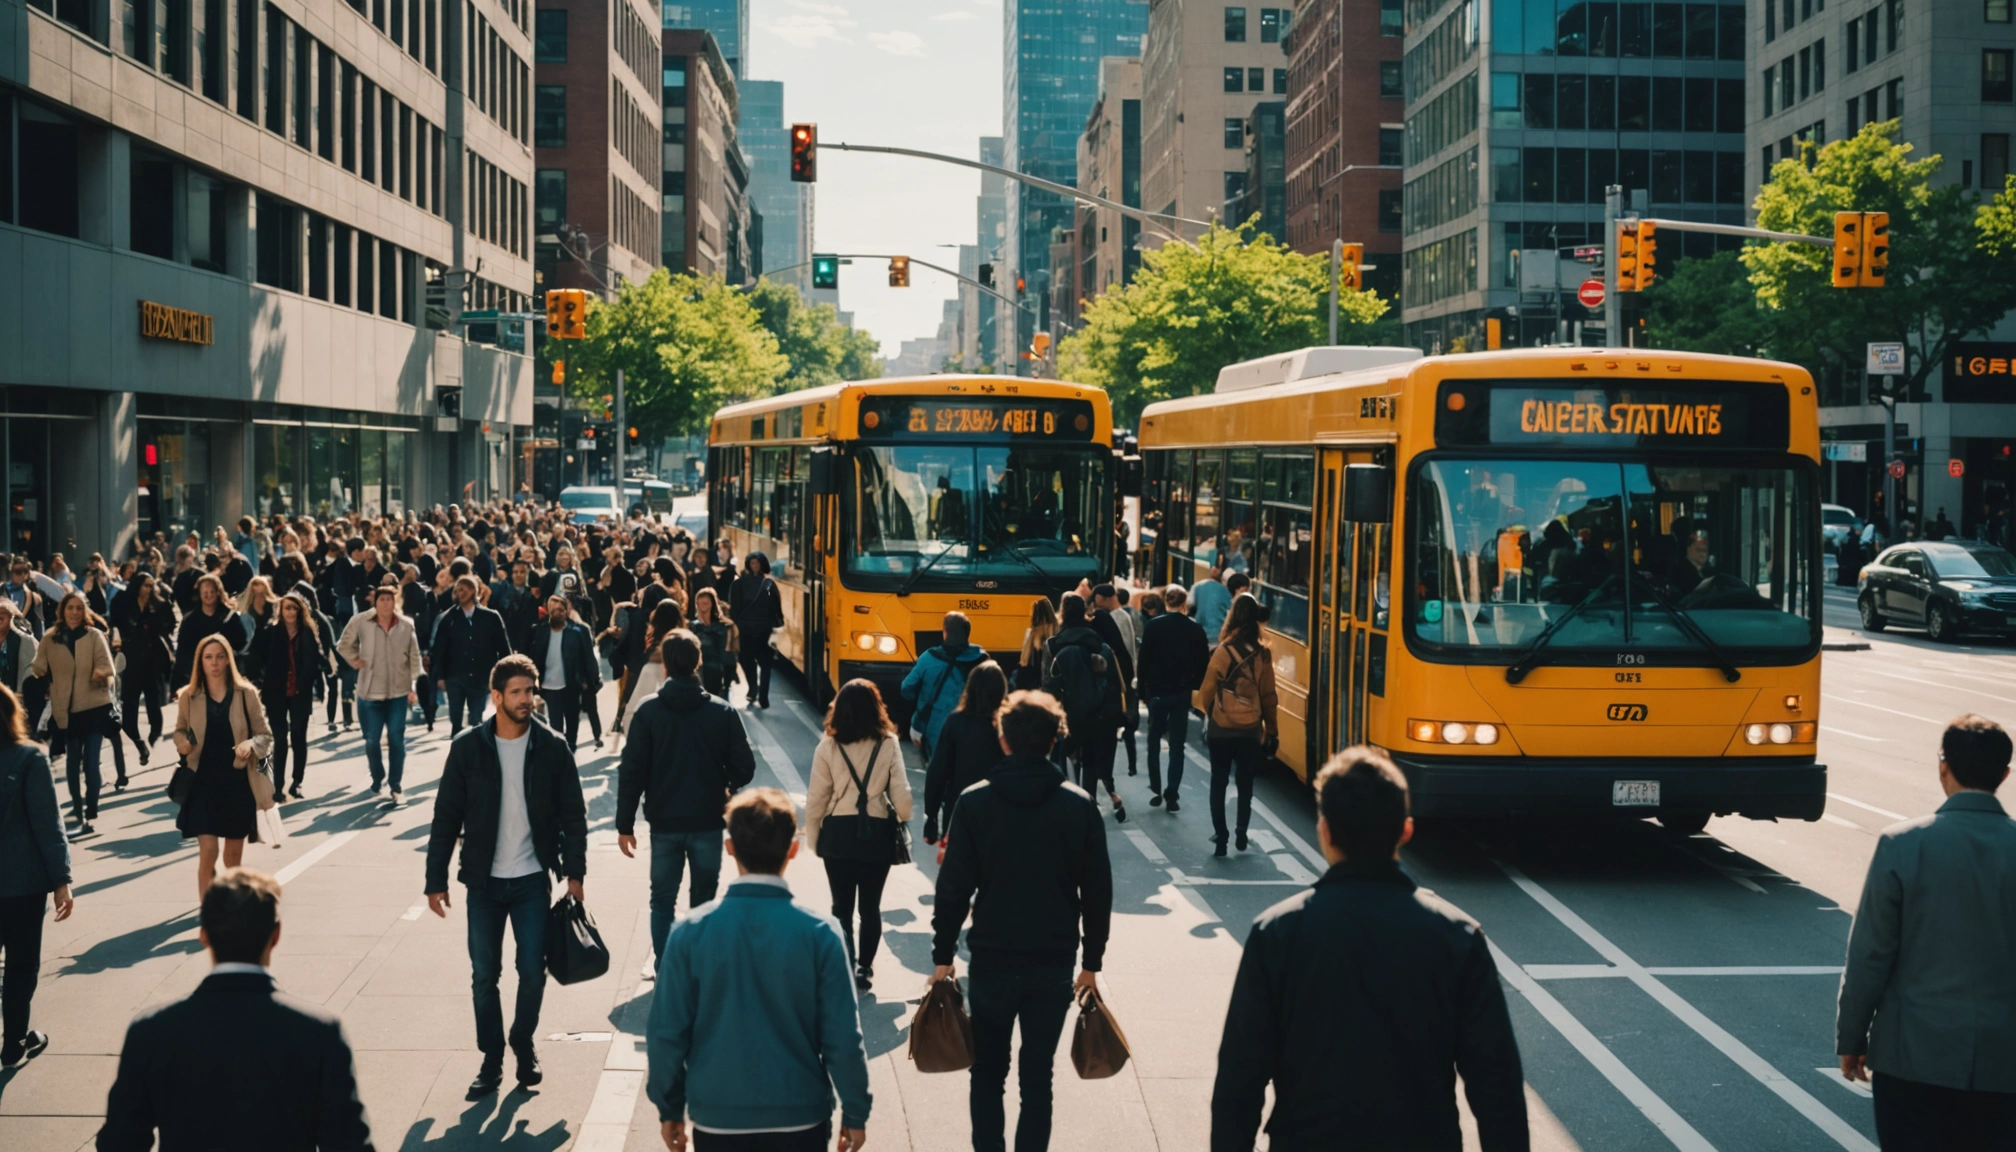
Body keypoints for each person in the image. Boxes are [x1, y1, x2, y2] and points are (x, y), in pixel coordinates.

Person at [1210, 748, 1527, 1151]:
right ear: (1405, 831)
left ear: (1324, 830)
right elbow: (1496, 1086)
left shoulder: (1276, 933)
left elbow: (1241, 1077)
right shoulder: (1457, 937)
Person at [932, 690, 1112, 1152]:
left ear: (1003, 739)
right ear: (1055, 740)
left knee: (988, 1072)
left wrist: (943, 955)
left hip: (992, 955)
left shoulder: (974, 803)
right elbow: (1097, 893)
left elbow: (952, 889)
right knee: (1038, 1076)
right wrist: (1091, 961)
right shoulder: (1079, 806)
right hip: (1053, 959)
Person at [646, 788, 872, 1152]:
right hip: (800, 1114)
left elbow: (666, 1033)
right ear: (793, 849)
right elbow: (843, 1036)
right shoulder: (821, 933)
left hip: (718, 1115)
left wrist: (669, 1106)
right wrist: (856, 1111)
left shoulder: (690, 933)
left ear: (729, 847)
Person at [97, 868, 375, 1152]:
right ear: (275, 935)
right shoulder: (319, 1031)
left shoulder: (151, 1030)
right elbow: (348, 1142)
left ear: (204, 935)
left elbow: (121, 1141)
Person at [1836, 714, 2016, 1151]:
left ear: (1943, 767)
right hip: (2004, 1060)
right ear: (2005, 774)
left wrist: (1852, 1037)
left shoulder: (1902, 844)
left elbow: (1870, 957)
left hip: (1912, 1056)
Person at [424, 653, 588, 1098]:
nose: (526, 699)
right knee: (484, 975)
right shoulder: (467, 747)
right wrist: (434, 879)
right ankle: (492, 1056)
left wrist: (575, 872)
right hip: (484, 880)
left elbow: (574, 815)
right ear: (496, 696)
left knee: (533, 971)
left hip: (533, 877)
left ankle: (523, 1041)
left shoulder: (553, 747)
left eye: (530, 691)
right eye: (516, 692)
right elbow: (445, 817)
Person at [617, 630, 756, 974]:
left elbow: (632, 770)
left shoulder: (649, 712)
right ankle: (699, 965)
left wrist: (625, 823)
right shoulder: (722, 712)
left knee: (662, 899)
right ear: (697, 662)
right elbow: (746, 767)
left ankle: (667, 966)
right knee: (704, 898)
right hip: (708, 819)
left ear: (665, 665)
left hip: (664, 821)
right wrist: (724, 782)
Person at [804, 680, 914, 990]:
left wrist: (815, 838)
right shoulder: (888, 743)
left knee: (841, 908)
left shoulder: (827, 746)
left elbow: (816, 800)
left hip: (837, 833)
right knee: (870, 907)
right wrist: (902, 817)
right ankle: (865, 967)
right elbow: (902, 796)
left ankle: (845, 962)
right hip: (876, 833)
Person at [0, 682, 73, 1069]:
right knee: (21, 963)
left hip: (19, 882)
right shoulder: (29, 758)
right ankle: (14, 1042)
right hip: (22, 882)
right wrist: (61, 880)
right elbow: (48, 824)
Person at [173, 634, 276, 899]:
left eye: (220, 656)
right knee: (208, 851)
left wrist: (251, 745)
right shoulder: (189, 696)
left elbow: (265, 736)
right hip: (202, 783)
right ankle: (208, 915)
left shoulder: (246, 694)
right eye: (208, 657)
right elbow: (180, 730)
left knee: (232, 859)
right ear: (201, 662)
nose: (214, 663)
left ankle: (231, 908)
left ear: (228, 660)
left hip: (236, 783)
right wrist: (182, 743)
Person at [1197, 593, 1279, 856]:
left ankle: (1221, 838)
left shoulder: (1223, 651)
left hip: (1221, 729)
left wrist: (1213, 711)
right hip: (1250, 729)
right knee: (1245, 784)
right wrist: (1272, 731)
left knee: (1218, 782)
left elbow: (1204, 694)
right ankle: (1241, 832)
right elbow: (1269, 697)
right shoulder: (1263, 654)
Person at [32, 592, 117, 834]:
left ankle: (91, 807)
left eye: (79, 608)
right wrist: (44, 675)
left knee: (91, 762)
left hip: (93, 707)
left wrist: (98, 673)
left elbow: (107, 665)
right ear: (62, 610)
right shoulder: (51, 638)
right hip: (65, 710)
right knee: (71, 762)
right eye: (70, 607)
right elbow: (38, 667)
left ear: (85, 611)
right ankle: (78, 810)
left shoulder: (93, 635)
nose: (75, 612)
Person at [1042, 593, 1127, 822]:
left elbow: (1048, 685)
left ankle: (1063, 807)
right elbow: (1111, 684)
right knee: (1090, 760)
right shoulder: (1099, 645)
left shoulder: (1052, 645)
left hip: (1065, 716)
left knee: (1062, 760)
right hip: (1095, 714)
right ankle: (1088, 806)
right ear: (1084, 614)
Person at [338, 586, 423, 803]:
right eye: (382, 599)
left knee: (396, 738)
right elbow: (343, 645)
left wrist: (413, 686)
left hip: (398, 692)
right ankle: (378, 777)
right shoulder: (362, 622)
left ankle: (395, 784)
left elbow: (414, 658)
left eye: (389, 599)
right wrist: (354, 660)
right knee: (371, 741)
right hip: (369, 692)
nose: (386, 603)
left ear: (396, 602)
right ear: (375, 602)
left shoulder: (406, 625)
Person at [1137, 585, 1211, 812]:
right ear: (1184, 604)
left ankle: (1156, 788)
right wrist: (1193, 686)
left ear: (1165, 602)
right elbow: (1202, 665)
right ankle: (1172, 793)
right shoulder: (1195, 629)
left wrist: (1143, 692)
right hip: (1181, 694)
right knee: (1177, 746)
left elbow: (1143, 663)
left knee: (1154, 742)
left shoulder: (1153, 626)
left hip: (1157, 692)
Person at [922, 660, 1008, 845]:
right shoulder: (1008, 724)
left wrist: (931, 816)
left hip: (959, 811)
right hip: (1000, 812)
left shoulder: (956, 722)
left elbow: (938, 772)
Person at [261, 592, 326, 800]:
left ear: (300, 610)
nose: (290, 611)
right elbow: (257, 657)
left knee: (299, 737)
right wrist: (259, 681)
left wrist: (320, 681)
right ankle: (277, 786)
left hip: (300, 691)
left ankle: (297, 782)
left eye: (294, 608)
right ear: (281, 609)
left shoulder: (307, 632)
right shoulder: (270, 631)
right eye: (287, 607)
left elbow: (318, 658)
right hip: (276, 692)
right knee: (280, 738)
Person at [108, 571, 176, 764]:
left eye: (151, 585)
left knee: (154, 701)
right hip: (131, 659)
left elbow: (168, 624)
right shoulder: (123, 601)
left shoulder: (158, 604)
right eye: (145, 585)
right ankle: (139, 744)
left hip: (152, 660)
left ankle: (155, 738)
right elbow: (114, 623)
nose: (149, 589)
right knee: (129, 706)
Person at [431, 575, 512, 734]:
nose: (460, 593)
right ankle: (458, 749)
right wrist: (439, 676)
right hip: (455, 675)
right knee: (455, 718)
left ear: (473, 591)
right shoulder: (448, 619)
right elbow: (439, 650)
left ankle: (475, 751)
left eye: (464, 589)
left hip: (481, 675)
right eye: (457, 590)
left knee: (476, 717)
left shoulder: (490, 617)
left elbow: (503, 646)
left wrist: (506, 673)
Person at [901, 611, 985, 761]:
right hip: (971, 728)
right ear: (968, 633)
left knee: (935, 771)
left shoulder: (928, 657)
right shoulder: (982, 659)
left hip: (933, 728)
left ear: (945, 632)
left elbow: (906, 688)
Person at [525, 593, 601, 749]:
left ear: (567, 612)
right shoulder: (540, 630)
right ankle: (560, 752)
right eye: (554, 610)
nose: (557, 613)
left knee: (572, 721)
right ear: (548, 612)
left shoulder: (578, 631)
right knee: (556, 725)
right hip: (549, 686)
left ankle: (570, 747)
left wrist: (591, 681)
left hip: (572, 684)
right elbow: (533, 656)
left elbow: (588, 658)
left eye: (561, 610)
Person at [1088, 585, 1138, 776]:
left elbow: (1121, 650)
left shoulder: (1116, 617)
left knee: (1122, 723)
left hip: (1117, 680)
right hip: (1124, 678)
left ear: (1103, 597)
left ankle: (1114, 771)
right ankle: (1127, 767)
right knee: (1126, 724)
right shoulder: (1121, 616)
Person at [726, 552, 782, 709]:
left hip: (754, 628)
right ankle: (757, 691)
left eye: (756, 563)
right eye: (752, 563)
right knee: (759, 661)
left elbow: (735, 607)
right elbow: (776, 609)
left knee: (752, 660)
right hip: (757, 628)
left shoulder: (741, 584)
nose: (754, 566)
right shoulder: (768, 584)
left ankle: (759, 692)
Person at [171, 573, 248, 688]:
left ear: (218, 593)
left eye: (212, 592)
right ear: (199, 594)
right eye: (205, 593)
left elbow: (241, 643)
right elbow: (183, 653)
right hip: (198, 677)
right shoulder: (190, 621)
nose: (209, 596)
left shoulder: (230, 617)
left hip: (225, 677)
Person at [687, 587, 739, 699]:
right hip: (699, 670)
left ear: (712, 604)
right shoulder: (693, 626)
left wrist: (729, 674)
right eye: (699, 604)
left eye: (705, 603)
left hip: (716, 670)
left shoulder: (722, 627)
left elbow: (729, 651)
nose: (702, 607)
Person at [1015, 599, 1059, 692]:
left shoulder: (1032, 634)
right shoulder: (1057, 631)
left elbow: (1024, 660)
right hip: (1052, 681)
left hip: (1035, 682)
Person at [1191, 561, 1232, 644]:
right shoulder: (1226, 592)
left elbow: (1191, 604)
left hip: (1199, 634)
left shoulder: (1198, 587)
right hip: (1216, 637)